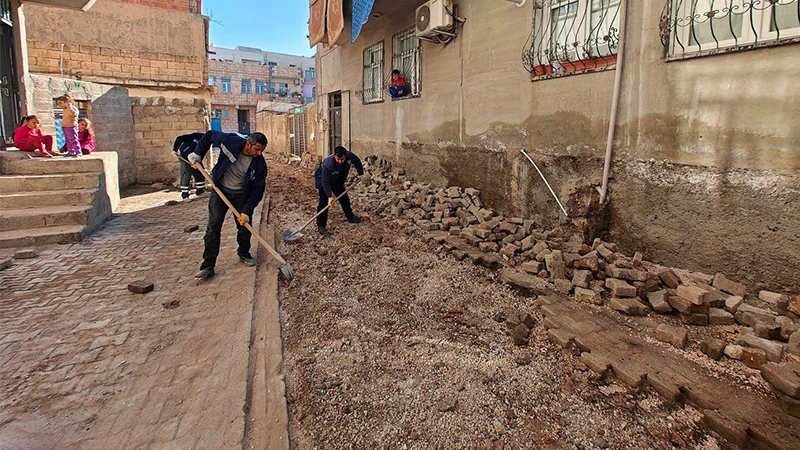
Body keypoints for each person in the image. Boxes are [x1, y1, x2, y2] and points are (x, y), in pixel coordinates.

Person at [188, 131, 268, 279]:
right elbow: (209, 135)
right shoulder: (230, 142)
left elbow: (258, 191)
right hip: (220, 191)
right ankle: (208, 265)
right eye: (257, 149)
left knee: (244, 227)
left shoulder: (260, 165)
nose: (259, 153)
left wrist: (247, 211)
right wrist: (198, 154)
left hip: (241, 196)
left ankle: (244, 253)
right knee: (213, 227)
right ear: (248, 144)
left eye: (262, 150)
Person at [314, 145, 364, 237]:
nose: (340, 161)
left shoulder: (349, 156)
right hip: (322, 178)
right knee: (324, 201)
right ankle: (321, 226)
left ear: (345, 156)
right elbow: (325, 182)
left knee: (344, 198)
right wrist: (330, 196)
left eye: (342, 159)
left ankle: (350, 217)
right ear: (334, 156)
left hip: (337, 178)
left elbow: (356, 161)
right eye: (338, 159)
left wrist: (361, 174)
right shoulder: (328, 164)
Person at [172, 132, 206, 200]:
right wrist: (175, 150)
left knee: (200, 172)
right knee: (186, 174)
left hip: (195, 158)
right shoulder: (196, 136)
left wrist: (197, 162)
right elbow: (179, 138)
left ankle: (200, 191)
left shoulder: (206, 143)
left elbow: (202, 153)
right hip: (184, 156)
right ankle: (185, 195)